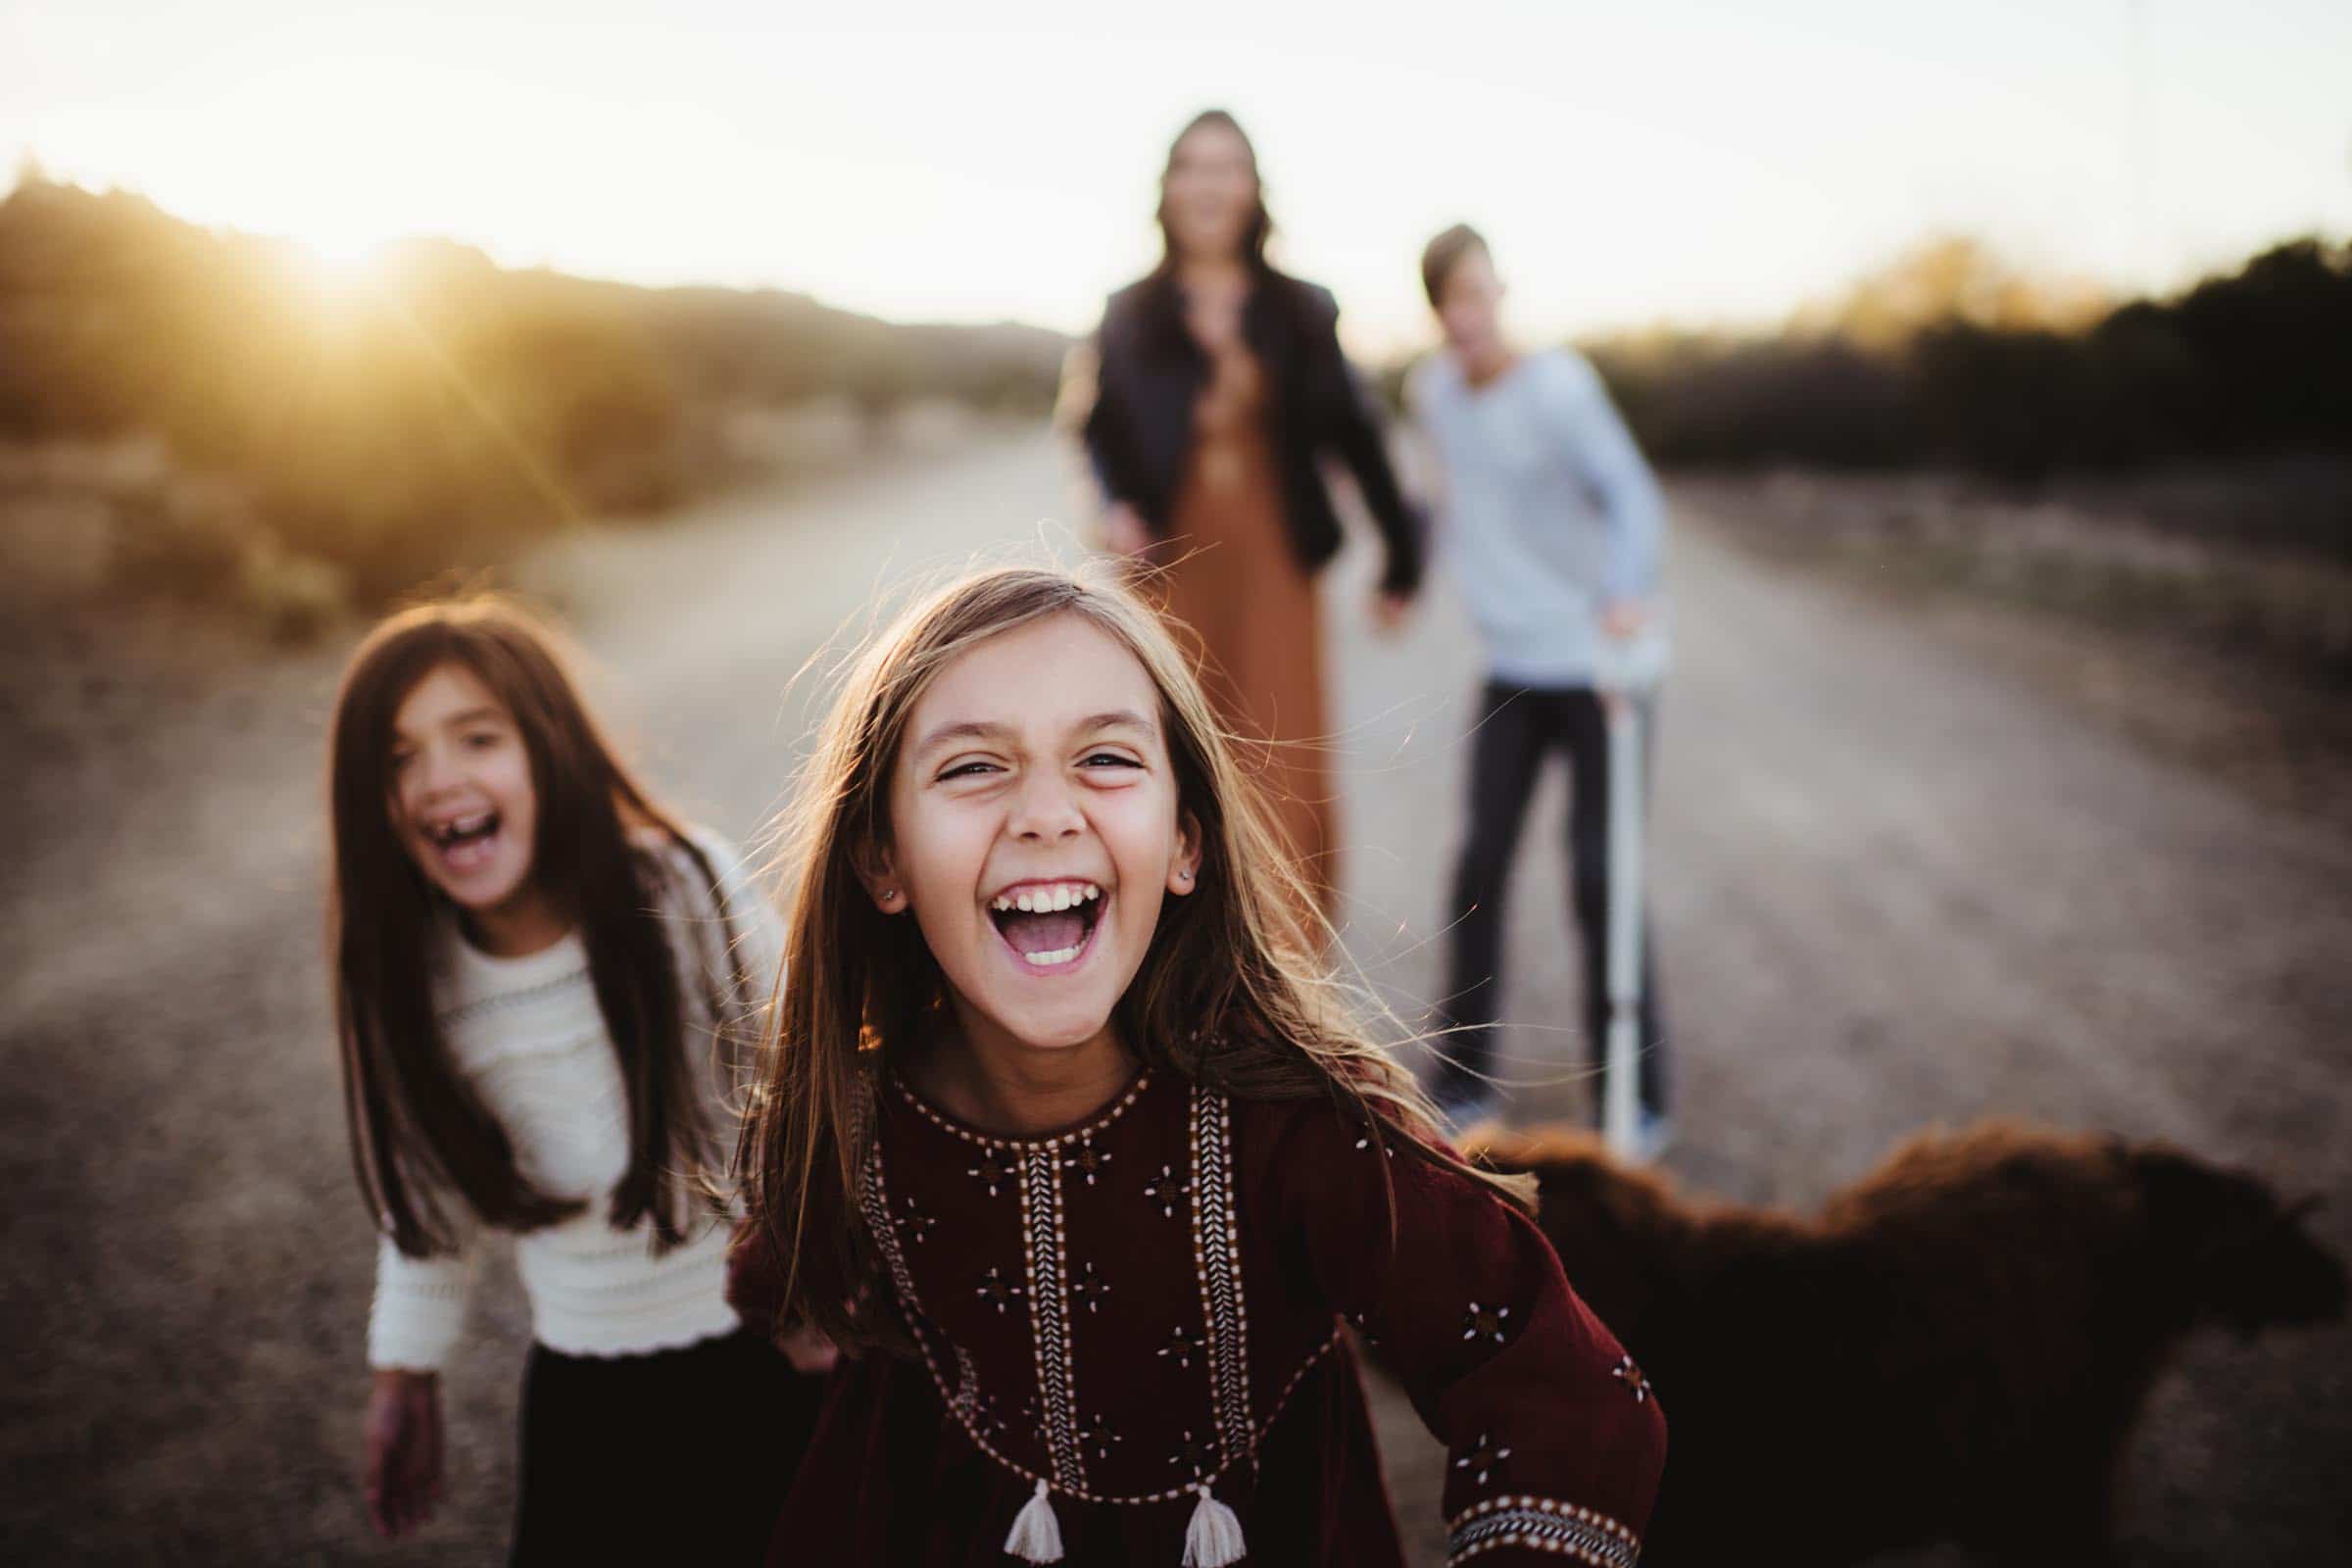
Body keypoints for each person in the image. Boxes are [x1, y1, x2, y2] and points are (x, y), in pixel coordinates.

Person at [729, 564, 1666, 1566]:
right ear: (881, 860)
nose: (1047, 813)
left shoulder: (1305, 1123)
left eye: (1105, 758)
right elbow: (785, 1266)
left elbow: (1555, 1387)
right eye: (971, 768)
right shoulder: (856, 1111)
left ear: (1186, 841)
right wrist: (795, 1312)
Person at [326, 597, 828, 1561]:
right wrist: (404, 1374)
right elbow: (423, 1204)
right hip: (589, 1388)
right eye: (399, 759)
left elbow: (812, 1089)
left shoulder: (685, 887)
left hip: (778, 1352)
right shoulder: (410, 980)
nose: (440, 781)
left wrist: (826, 1288)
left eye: (477, 737)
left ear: (549, 748)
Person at [1069, 108, 1425, 936]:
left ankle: (1287, 977)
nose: (1209, 184)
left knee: (1281, 768)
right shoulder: (1130, 312)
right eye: (1191, 165)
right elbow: (1094, 430)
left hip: (1274, 566)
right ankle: (1165, 971)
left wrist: (1401, 557)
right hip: (1167, 569)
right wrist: (1114, 503)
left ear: (1254, 188)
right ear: (1167, 186)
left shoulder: (1302, 309)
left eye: (1227, 166)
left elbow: (1355, 432)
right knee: (1165, 764)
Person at [1405, 224, 1672, 1148]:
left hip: (1600, 669)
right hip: (1512, 665)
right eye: (1447, 299)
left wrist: (1630, 595)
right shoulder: (1432, 391)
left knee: (1603, 875)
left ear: (1501, 292)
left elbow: (1632, 493)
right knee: (1479, 866)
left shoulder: (1559, 388)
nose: (1464, 314)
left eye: (1476, 293)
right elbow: (1443, 499)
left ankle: (1636, 1096)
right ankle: (1462, 1083)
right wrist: (1404, 571)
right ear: (1434, 311)